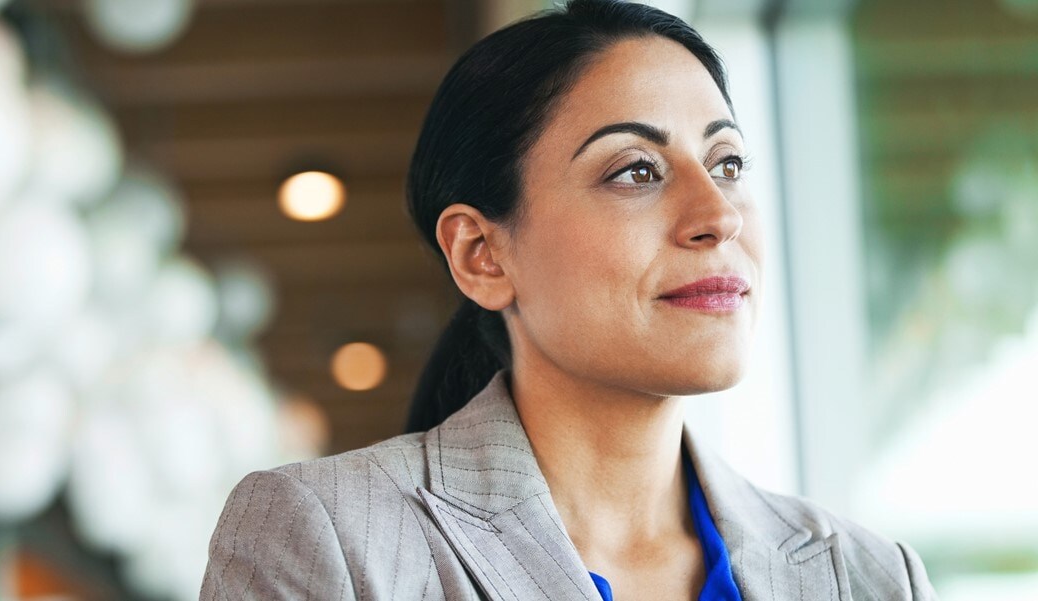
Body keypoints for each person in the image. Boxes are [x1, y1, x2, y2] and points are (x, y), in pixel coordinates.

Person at [199, 1, 937, 599]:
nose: (719, 214)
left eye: (728, 163)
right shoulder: (329, 537)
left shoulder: (869, 576)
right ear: (482, 254)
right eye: (636, 171)